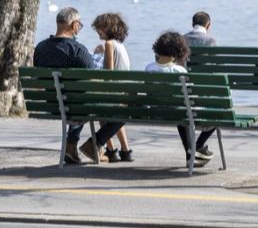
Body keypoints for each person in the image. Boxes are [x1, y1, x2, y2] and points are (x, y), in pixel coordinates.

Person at [33, 7, 124, 164]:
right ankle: (95, 143)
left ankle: (71, 146)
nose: (79, 29)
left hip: (53, 104)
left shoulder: (40, 48)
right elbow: (94, 81)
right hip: (76, 105)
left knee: (76, 98)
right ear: (74, 25)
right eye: (80, 25)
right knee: (124, 109)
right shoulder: (78, 50)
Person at [144, 31, 215, 167]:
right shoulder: (179, 71)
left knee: (182, 114)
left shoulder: (149, 68)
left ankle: (192, 153)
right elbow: (190, 95)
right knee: (214, 114)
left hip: (156, 111)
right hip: (178, 112)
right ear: (179, 51)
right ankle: (197, 147)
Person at [92, 13, 133, 162]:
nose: (97, 31)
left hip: (113, 94)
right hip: (122, 94)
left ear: (107, 28)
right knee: (112, 114)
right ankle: (125, 150)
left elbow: (108, 74)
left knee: (101, 110)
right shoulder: (120, 45)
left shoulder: (109, 44)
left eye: (99, 28)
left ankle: (111, 150)